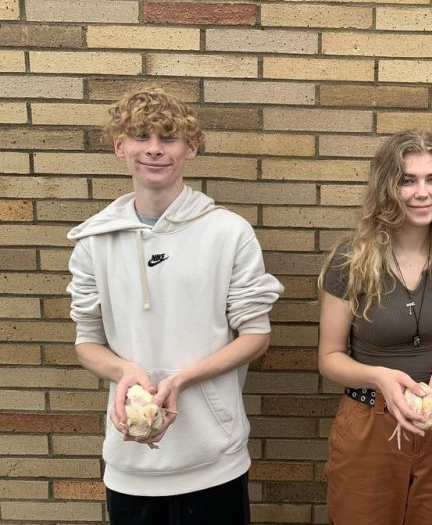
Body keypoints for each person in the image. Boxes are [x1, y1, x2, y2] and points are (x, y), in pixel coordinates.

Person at [66, 88, 283, 524]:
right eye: (141, 136)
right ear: (119, 146)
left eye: (168, 138)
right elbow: (87, 342)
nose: (154, 149)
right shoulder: (93, 242)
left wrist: (182, 380)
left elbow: (256, 336)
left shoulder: (229, 232)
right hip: (131, 465)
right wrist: (127, 372)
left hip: (214, 457)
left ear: (191, 147)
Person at [318, 131, 432, 525]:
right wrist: (380, 377)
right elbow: (329, 358)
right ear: (386, 187)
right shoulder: (350, 260)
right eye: (407, 180)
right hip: (370, 420)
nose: (422, 192)